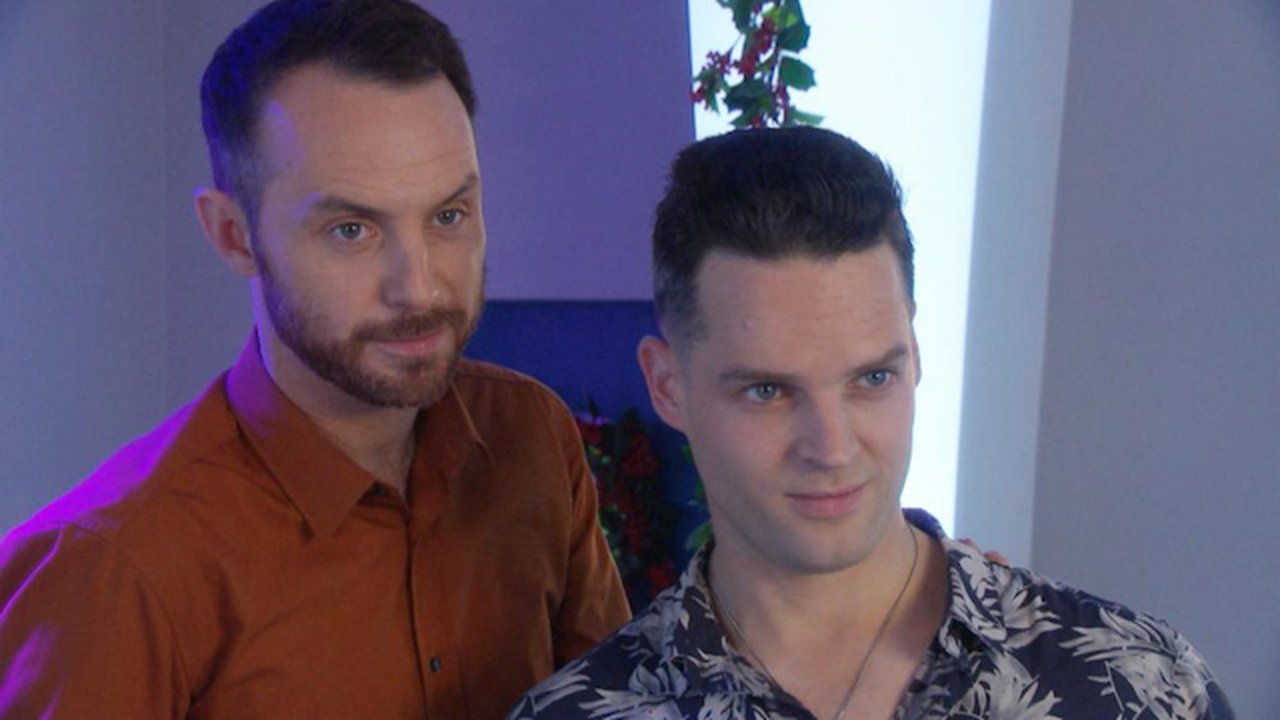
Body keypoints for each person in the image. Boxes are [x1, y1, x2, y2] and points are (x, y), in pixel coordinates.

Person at [0, 1, 627, 718]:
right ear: (234, 235)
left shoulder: (532, 436)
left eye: (448, 216)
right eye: (352, 230)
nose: (419, 287)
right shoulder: (117, 569)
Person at [508, 127, 1234, 719]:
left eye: (872, 379)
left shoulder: (1142, 688)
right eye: (767, 391)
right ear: (668, 386)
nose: (832, 447)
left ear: (914, 355)